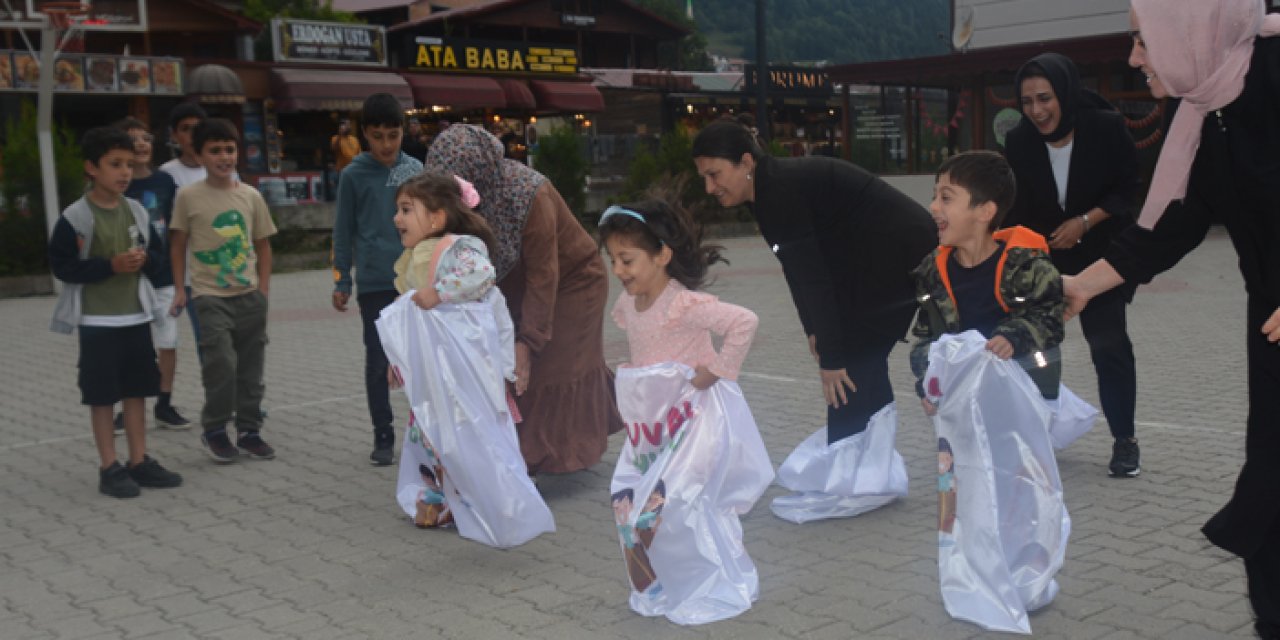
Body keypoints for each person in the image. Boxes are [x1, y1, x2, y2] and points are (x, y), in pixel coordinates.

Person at [1063, 3, 1280, 635]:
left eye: (1141, 40)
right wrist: (1084, 284)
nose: (1133, 58)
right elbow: (1166, 228)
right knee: (1269, 483)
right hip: (1268, 322)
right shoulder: (1205, 115)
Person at [692, 119, 936, 520]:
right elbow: (797, 269)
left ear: (746, 162)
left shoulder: (778, 192)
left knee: (851, 365)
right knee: (858, 360)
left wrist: (831, 357)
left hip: (899, 256)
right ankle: (866, 475)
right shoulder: (769, 189)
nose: (709, 187)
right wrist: (814, 330)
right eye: (704, 177)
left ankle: (860, 479)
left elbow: (814, 277)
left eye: (715, 174)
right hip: (869, 263)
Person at [600, 199, 772, 624]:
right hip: (651, 428)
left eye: (628, 260)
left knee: (673, 504)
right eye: (613, 260)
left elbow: (744, 322)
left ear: (662, 255)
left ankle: (709, 582)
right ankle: (663, 582)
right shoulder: (629, 304)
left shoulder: (683, 304)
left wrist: (716, 371)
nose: (619, 271)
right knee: (630, 504)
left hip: (693, 422)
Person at [423, 124, 623, 476]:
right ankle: (517, 453)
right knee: (511, 370)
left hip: (573, 283)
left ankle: (547, 456)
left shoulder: (528, 193)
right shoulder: (451, 201)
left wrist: (528, 340)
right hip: (516, 287)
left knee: (549, 366)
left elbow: (544, 275)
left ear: (478, 175)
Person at [382, 172, 554, 547]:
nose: (397, 218)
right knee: (430, 435)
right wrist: (399, 360)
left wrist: (439, 292)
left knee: (471, 435)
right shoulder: (412, 259)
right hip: (432, 375)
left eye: (406, 209)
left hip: (466, 373)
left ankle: (494, 502)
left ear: (437, 218)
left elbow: (480, 275)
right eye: (397, 210)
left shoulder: (458, 247)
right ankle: (439, 500)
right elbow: (409, 319)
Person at [1003, 52, 1142, 477]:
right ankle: (1035, 434)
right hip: (1043, 261)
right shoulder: (1018, 142)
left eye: (1045, 98)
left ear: (1064, 92)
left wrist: (1084, 222)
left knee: (1109, 346)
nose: (1037, 110)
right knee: (1035, 350)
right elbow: (1013, 208)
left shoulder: (1105, 127)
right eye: (1027, 102)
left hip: (1100, 258)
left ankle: (1125, 440)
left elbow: (1130, 190)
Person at [48, 126, 184, 498]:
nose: (125, 172)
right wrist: (109, 266)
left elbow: (157, 258)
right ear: (91, 168)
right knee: (102, 396)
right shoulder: (76, 217)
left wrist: (144, 261)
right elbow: (62, 267)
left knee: (137, 391)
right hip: (97, 322)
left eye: (129, 163)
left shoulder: (137, 211)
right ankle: (109, 466)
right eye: (115, 164)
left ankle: (138, 461)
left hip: (136, 317)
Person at [910, 150, 1065, 411]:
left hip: (1022, 405)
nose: (934, 206)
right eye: (934, 196)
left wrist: (1014, 337)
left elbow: (1050, 318)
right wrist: (929, 383)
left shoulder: (1028, 268)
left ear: (985, 212)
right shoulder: (932, 272)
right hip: (961, 406)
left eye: (946, 198)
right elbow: (925, 340)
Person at [169, 118, 278, 464]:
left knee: (250, 367)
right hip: (209, 296)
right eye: (214, 150)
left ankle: (249, 431)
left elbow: (262, 247)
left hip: (248, 297)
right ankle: (215, 429)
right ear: (199, 155)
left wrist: (262, 291)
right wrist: (179, 289)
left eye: (229, 149)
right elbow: (177, 245)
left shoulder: (250, 196)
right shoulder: (188, 197)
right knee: (221, 364)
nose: (224, 157)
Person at [331, 93, 425, 466]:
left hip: (415, 280)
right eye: (377, 136)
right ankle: (382, 434)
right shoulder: (353, 175)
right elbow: (343, 230)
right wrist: (342, 280)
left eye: (393, 135)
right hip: (374, 282)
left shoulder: (416, 169)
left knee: (421, 357)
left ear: (404, 131)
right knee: (377, 359)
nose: (386, 145)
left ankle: (425, 429)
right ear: (364, 136)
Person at [115, 116, 190, 430]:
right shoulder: (116, 184)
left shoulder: (164, 182)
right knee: (130, 344)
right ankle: (125, 408)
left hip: (161, 275)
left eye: (146, 137)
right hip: (125, 277)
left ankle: (164, 403)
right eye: (133, 138)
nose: (142, 143)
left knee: (168, 341)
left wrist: (179, 283)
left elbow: (176, 234)